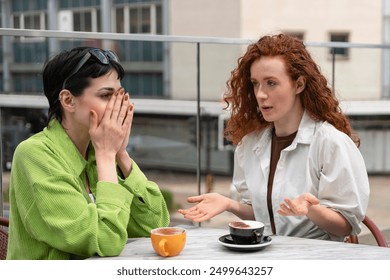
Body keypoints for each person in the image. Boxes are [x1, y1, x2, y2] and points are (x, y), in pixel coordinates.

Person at [179, 34, 370, 241]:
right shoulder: (249, 144)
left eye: (271, 83)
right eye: (255, 84)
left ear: (299, 85)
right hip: (268, 256)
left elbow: (346, 226)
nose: (260, 94)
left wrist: (310, 210)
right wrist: (229, 204)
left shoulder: (331, 143)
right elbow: (264, 216)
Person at [7, 47, 170, 259]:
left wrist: (121, 154)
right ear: (68, 101)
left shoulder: (99, 150)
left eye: (120, 96)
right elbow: (106, 241)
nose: (119, 105)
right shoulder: (35, 155)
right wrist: (106, 156)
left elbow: (156, 225)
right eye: (106, 96)